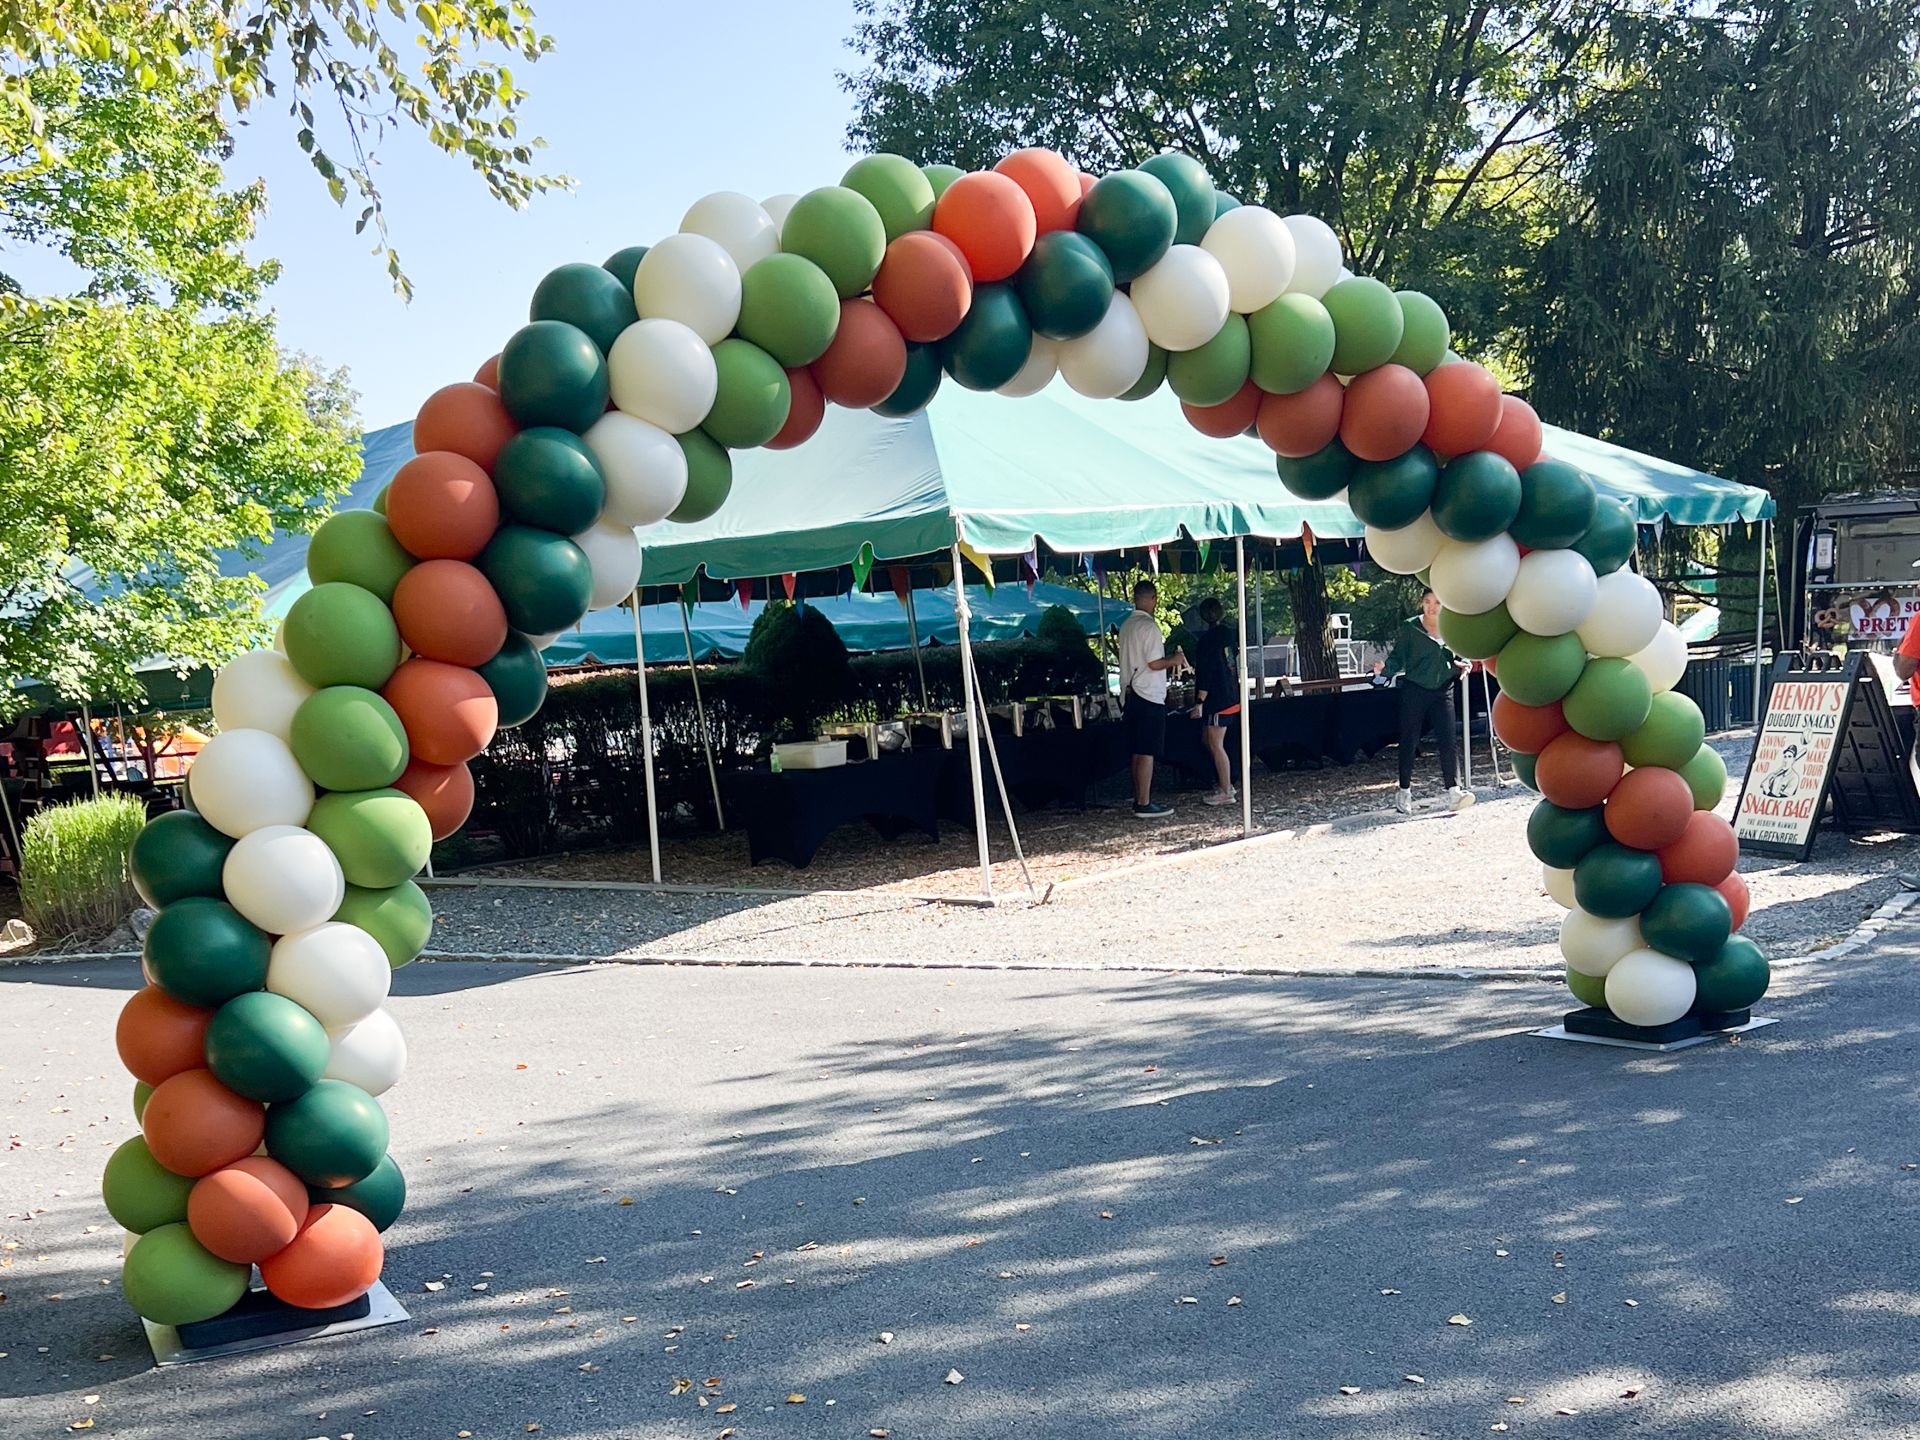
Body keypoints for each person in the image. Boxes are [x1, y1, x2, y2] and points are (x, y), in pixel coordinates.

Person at [1371, 590, 1475, 815]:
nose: (1432, 607)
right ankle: (1404, 791)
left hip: (1443, 689)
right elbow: (1399, 656)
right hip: (1415, 689)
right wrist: (1385, 670)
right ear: (1422, 604)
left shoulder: (1452, 626)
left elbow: (1459, 652)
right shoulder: (1411, 627)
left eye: (1437, 602)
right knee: (1409, 740)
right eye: (1427, 602)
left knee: (1448, 740)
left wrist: (1465, 663)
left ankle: (1454, 791)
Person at [1117, 579, 1186, 818]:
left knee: (1137, 749)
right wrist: (1174, 660)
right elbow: (1154, 663)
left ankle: (1139, 797)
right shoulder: (1150, 627)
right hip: (1148, 694)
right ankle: (1144, 802)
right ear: (1154, 599)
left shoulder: (1126, 626)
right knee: (1147, 750)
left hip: (1129, 693)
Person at [1188, 597, 1239, 806]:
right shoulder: (1231, 636)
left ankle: (1226, 790)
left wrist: (1199, 701)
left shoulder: (1206, 642)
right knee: (1209, 739)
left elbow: (1206, 673)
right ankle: (1225, 782)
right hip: (1231, 693)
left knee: (1216, 744)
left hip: (1217, 698)